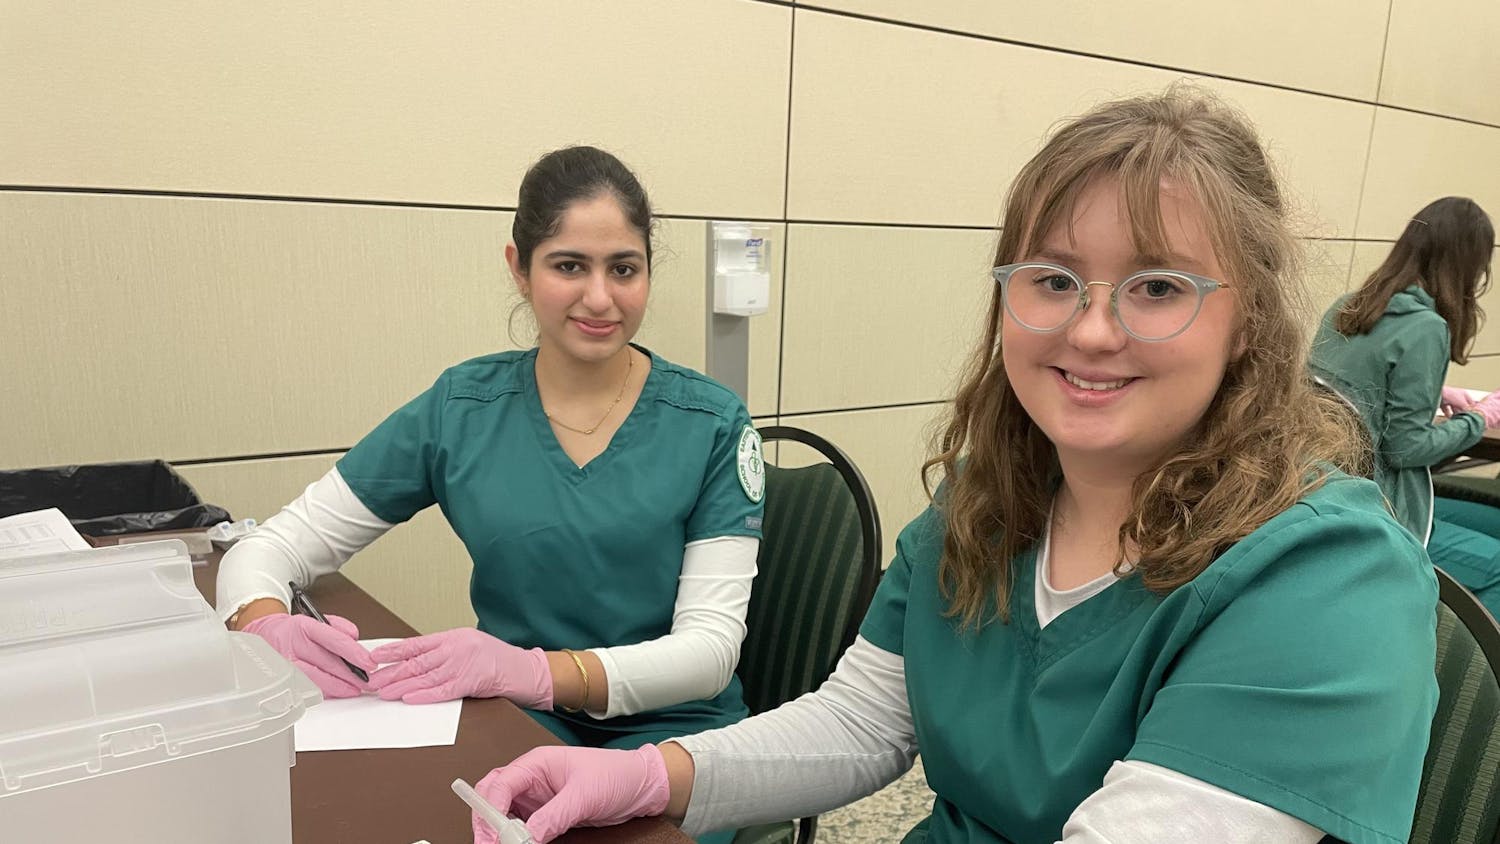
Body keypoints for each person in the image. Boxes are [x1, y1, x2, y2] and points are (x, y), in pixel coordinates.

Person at [464, 89, 1440, 844]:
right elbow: (862, 722)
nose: (1092, 329)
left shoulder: (1325, 579)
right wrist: (649, 775)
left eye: (1157, 287)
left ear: (1250, 322)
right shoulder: (987, 505)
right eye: (1053, 279)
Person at [216, 147, 766, 780]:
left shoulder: (711, 423)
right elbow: (273, 545)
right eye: (569, 266)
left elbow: (708, 654)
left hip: (672, 735)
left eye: (623, 269)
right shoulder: (463, 409)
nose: (599, 297)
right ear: (519, 269)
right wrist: (263, 623)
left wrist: (533, 671)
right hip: (520, 720)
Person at [1309, 197, 1500, 613]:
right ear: (1469, 266)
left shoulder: (1347, 306)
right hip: (1382, 512)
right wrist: (1478, 418)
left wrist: (1440, 392)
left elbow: (1358, 391)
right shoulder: (1426, 328)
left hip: (1323, 494)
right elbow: (1405, 449)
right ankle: (1444, 648)